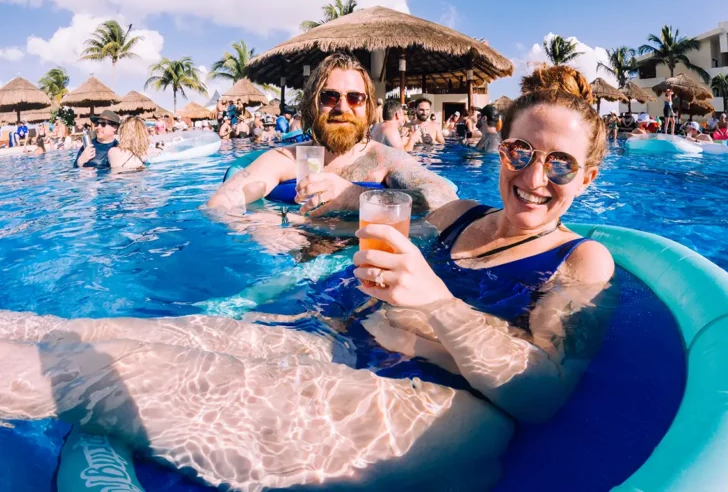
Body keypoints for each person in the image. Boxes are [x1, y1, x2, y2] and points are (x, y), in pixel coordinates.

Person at [0, 64, 613, 492]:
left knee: (112, 372)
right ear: (504, 149)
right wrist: (325, 217)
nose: (535, 176)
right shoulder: (457, 218)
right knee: (87, 334)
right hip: (338, 343)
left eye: (560, 162)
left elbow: (543, 395)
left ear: (587, 175)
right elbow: (376, 228)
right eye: (521, 153)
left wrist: (437, 302)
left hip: (433, 406)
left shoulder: (582, 262)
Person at [207, 53, 457, 216]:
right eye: (329, 96)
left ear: (368, 108)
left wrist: (354, 197)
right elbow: (218, 205)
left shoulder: (385, 160)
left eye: (355, 98)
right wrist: (261, 226)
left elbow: (444, 197)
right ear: (312, 104)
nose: (342, 107)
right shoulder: (289, 159)